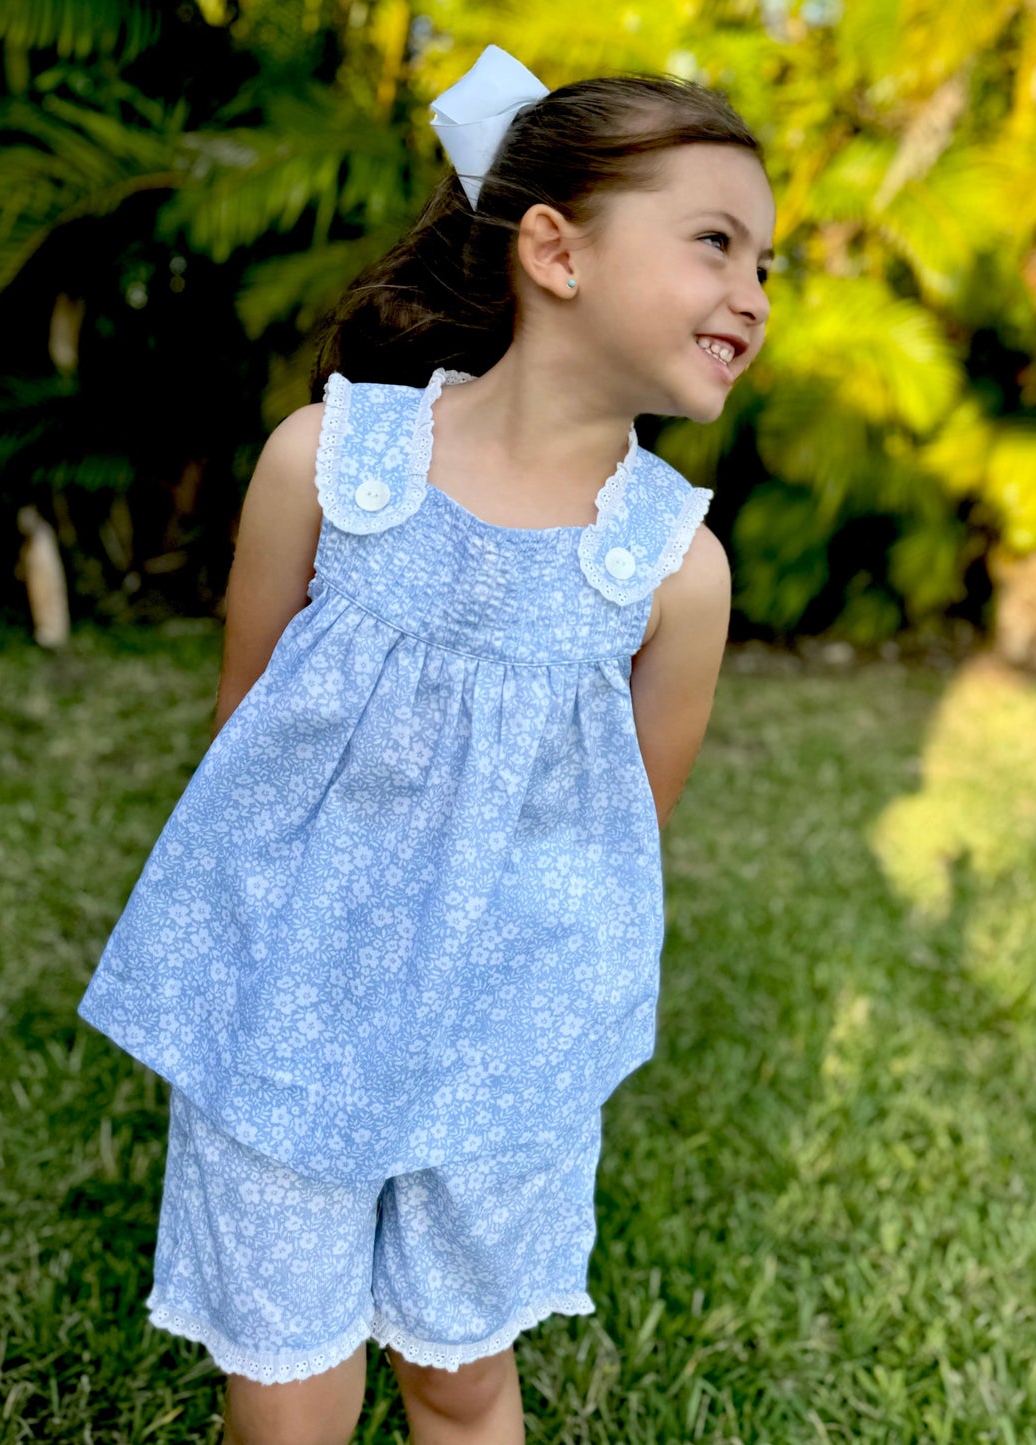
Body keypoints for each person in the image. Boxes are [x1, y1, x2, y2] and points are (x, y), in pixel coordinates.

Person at [76, 44, 775, 1445]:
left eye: (768, 263)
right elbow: (245, 744)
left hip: (501, 1046)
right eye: (715, 243)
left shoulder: (670, 569)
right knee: (289, 1396)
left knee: (460, 1381)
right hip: (289, 1009)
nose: (751, 296)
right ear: (555, 250)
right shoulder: (327, 464)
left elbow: (620, 834)